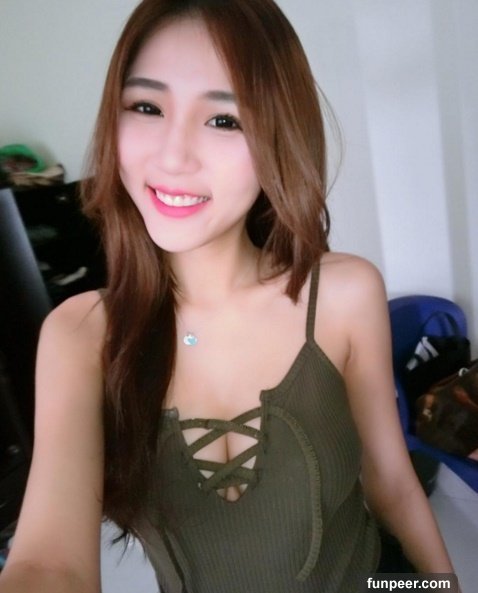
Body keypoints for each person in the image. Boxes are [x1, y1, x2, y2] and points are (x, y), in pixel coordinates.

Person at [0, 1, 457, 592]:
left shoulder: (344, 293)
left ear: (278, 138)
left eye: (224, 119)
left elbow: (391, 482)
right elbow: (46, 564)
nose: (173, 156)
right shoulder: (80, 335)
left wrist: (437, 586)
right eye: (147, 107)